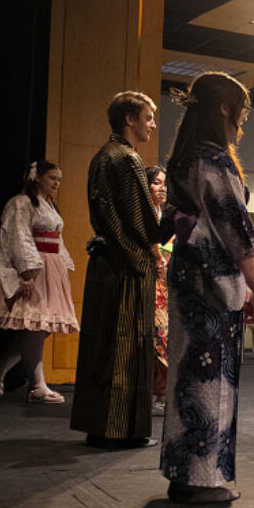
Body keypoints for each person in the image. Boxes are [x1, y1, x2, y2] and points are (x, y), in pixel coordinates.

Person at [158, 73, 254, 504]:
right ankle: (202, 477)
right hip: (213, 281)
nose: (241, 122)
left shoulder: (184, 160)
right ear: (224, 110)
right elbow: (234, 227)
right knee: (211, 379)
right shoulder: (214, 163)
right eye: (240, 112)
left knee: (186, 373)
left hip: (187, 274)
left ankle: (182, 471)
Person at [70, 91, 163, 450]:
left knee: (103, 344)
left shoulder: (103, 157)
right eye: (148, 117)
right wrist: (153, 248)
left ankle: (101, 426)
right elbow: (138, 218)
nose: (152, 124)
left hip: (107, 262)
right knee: (125, 344)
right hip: (126, 264)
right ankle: (118, 429)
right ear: (129, 119)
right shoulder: (125, 158)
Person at [0, 160, 78, 403]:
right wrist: (27, 271)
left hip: (50, 267)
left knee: (41, 327)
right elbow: (19, 237)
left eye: (59, 180)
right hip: (35, 267)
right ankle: (38, 385)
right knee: (36, 327)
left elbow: (56, 238)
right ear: (36, 177)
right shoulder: (20, 203)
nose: (56, 184)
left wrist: (62, 266)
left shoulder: (50, 205)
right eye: (52, 178)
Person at [146, 166, 171, 416]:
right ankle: (154, 393)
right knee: (155, 338)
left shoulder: (167, 215)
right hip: (148, 283)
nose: (162, 187)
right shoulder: (144, 214)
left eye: (164, 183)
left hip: (166, 287)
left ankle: (161, 392)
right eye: (156, 182)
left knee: (165, 338)